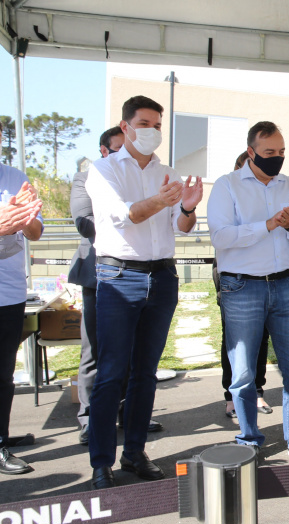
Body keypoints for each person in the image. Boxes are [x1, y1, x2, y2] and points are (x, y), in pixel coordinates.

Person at [85, 95, 203, 489]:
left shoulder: (166, 172)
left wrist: (187, 208)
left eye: (157, 125)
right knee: (111, 373)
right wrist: (160, 200)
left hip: (162, 277)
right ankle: (101, 462)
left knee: (145, 373)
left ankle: (134, 452)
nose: (153, 131)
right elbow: (124, 216)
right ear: (125, 127)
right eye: (145, 124)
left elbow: (180, 227)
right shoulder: (103, 170)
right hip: (119, 276)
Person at [208, 121, 289, 462]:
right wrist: (268, 225)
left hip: (285, 285)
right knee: (243, 374)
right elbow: (220, 236)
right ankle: (249, 441)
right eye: (269, 152)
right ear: (251, 152)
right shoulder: (227, 185)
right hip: (241, 287)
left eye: (281, 151)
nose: (277, 157)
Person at [69, 127, 164, 446]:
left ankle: (130, 413)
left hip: (141, 273)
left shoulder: (147, 177)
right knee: (96, 350)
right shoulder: (87, 178)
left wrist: (141, 211)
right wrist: (125, 215)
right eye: (119, 149)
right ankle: (89, 417)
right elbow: (84, 221)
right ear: (104, 151)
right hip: (101, 274)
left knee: (138, 353)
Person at [215, 151, 272, 419]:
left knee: (261, 338)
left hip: (266, 276)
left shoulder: (267, 195)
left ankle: (257, 391)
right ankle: (232, 397)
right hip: (234, 278)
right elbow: (223, 235)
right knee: (235, 340)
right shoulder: (226, 190)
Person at [0, 163, 42, 475]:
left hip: (9, 293)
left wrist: (25, 220)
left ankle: (1, 442)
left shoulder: (15, 178)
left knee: (4, 375)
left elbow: (36, 232)